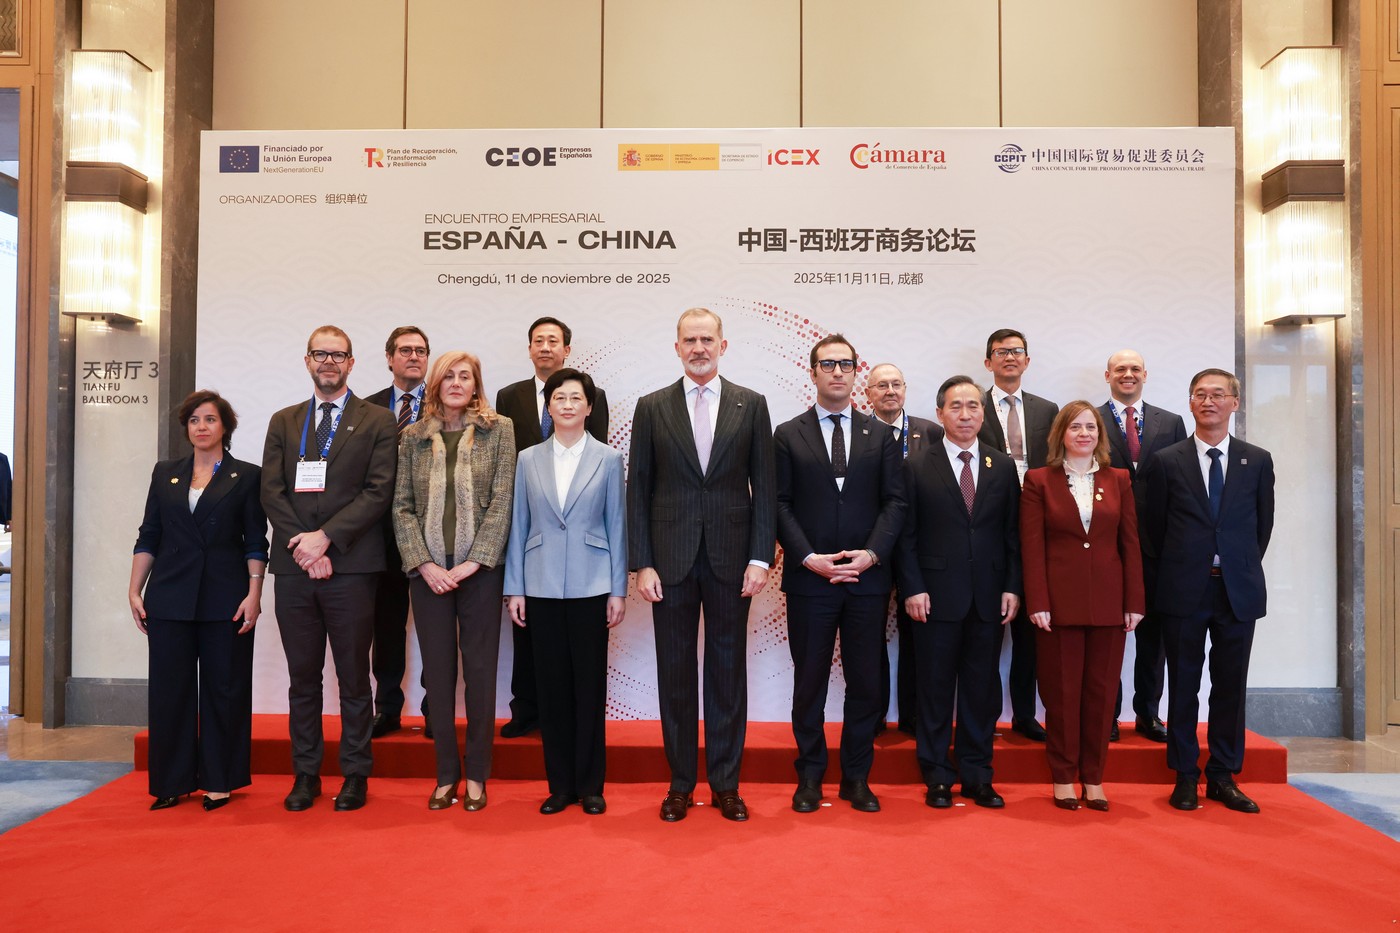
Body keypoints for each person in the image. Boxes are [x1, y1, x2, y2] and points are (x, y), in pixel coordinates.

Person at [627, 307, 775, 823]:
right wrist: (642, 563)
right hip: (669, 562)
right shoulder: (652, 407)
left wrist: (760, 556)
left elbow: (765, 487)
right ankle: (680, 784)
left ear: (722, 345)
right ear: (676, 347)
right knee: (675, 674)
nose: (698, 348)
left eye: (707, 339)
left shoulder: (751, 404)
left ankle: (726, 784)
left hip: (733, 560)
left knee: (727, 673)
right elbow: (638, 489)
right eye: (689, 340)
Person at [261, 325, 399, 812]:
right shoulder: (284, 421)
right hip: (295, 568)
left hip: (352, 569)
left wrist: (326, 540)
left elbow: (379, 491)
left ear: (352, 364)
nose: (328, 362)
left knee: (354, 679)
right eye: (320, 354)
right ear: (307, 361)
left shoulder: (378, 420)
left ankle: (356, 774)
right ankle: (306, 774)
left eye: (338, 355)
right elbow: (271, 492)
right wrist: (305, 547)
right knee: (303, 679)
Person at [776, 334, 905, 814]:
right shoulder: (787, 433)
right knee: (809, 682)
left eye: (845, 365)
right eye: (827, 364)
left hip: (867, 581)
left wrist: (871, 554)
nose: (836, 372)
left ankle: (856, 778)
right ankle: (810, 777)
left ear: (856, 373)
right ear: (812, 372)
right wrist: (808, 557)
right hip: (810, 580)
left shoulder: (881, 435)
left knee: (866, 683)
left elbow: (895, 502)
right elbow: (778, 503)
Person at [1142, 368, 1274, 813]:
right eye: (1200, 394)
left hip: (1237, 590)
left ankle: (1222, 775)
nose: (1208, 401)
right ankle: (1184, 775)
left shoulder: (1257, 460)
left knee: (1230, 686)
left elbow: (1261, 527)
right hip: (1184, 589)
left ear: (1235, 402)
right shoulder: (1167, 460)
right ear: (1190, 403)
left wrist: (1232, 563)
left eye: (1218, 394)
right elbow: (1153, 530)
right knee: (1182, 684)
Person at [129, 390, 267, 811]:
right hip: (169, 596)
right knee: (170, 691)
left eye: (209, 419)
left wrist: (255, 594)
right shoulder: (165, 472)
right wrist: (134, 589)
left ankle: (220, 780)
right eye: (193, 420)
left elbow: (256, 541)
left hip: (226, 597)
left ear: (225, 426)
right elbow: (149, 534)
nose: (201, 427)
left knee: (225, 689)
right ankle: (171, 781)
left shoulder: (247, 475)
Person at [393, 350, 515, 811]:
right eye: (449, 377)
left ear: (476, 384)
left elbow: (503, 500)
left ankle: (477, 774)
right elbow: (402, 506)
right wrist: (424, 564)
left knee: (480, 673)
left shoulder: (499, 430)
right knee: (438, 674)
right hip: (428, 573)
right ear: (436, 385)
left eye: (466, 376)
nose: (458, 383)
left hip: (480, 573)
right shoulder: (412, 437)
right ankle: (446, 774)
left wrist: (474, 561)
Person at [504, 368, 627, 816]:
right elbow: (519, 525)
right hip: (539, 584)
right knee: (551, 687)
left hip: (593, 585)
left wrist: (618, 590)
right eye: (560, 397)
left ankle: (591, 786)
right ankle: (560, 786)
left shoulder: (608, 459)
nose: (568, 404)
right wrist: (514, 588)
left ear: (589, 407)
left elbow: (617, 524)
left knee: (589, 688)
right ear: (549, 407)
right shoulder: (527, 458)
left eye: (577, 397)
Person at [899, 375, 1021, 810]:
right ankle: (936, 775)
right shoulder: (916, 465)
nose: (965, 414)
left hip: (989, 597)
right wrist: (913, 587)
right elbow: (906, 536)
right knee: (934, 690)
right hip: (934, 596)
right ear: (939, 413)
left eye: (973, 406)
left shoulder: (1001, 466)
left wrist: (1012, 586)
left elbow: (1012, 534)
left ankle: (977, 775)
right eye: (956, 406)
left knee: (981, 691)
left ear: (983, 414)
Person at [1021, 401, 1145, 811]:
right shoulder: (1038, 481)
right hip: (1057, 607)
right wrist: (1038, 600)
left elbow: (1130, 544)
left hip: (1110, 604)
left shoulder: (1119, 479)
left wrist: (1134, 601)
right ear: (1061, 433)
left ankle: (1093, 778)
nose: (1084, 433)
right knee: (1062, 696)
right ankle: (1063, 777)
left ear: (1100, 435)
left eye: (1091, 427)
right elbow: (1032, 547)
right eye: (1075, 427)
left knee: (1101, 696)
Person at [495, 316, 611, 739]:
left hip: (580, 539)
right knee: (527, 632)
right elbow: (503, 456)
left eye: (553, 340)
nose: (545, 347)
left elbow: (596, 456)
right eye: (538, 340)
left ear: (566, 349)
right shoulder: (508, 396)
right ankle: (526, 708)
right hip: (530, 521)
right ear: (529, 348)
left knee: (578, 649)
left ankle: (568, 719)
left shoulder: (591, 397)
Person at [1099, 349, 1187, 743]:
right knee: (1107, 638)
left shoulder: (1171, 422)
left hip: (1157, 545)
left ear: (1145, 375)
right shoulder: (1089, 420)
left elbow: (1184, 480)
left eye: (1135, 368)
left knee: (1154, 638)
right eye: (1120, 369)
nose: (1128, 374)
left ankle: (1148, 713)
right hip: (1105, 543)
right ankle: (1107, 714)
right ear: (1108, 376)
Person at [978, 327, 1059, 742]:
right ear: (988, 362)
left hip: (1038, 526)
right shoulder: (972, 406)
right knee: (987, 632)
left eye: (1017, 351)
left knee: (1031, 632)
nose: (1009, 357)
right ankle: (986, 716)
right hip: (989, 526)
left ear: (1027, 360)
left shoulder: (1048, 410)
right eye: (1001, 352)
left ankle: (1025, 715)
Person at [865, 362, 942, 735]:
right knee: (869, 633)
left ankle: (913, 715)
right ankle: (874, 714)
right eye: (881, 385)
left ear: (906, 389)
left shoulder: (932, 432)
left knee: (919, 632)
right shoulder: (858, 432)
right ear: (868, 393)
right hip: (873, 545)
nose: (890, 391)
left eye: (896, 384)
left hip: (920, 545)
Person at [364, 325, 431, 739]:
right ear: (389, 358)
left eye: (421, 350)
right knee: (386, 626)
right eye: (405, 350)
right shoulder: (366, 409)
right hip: (382, 535)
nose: (414, 357)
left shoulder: (445, 405)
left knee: (434, 627)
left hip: (433, 535)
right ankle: (387, 707)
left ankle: (435, 708)